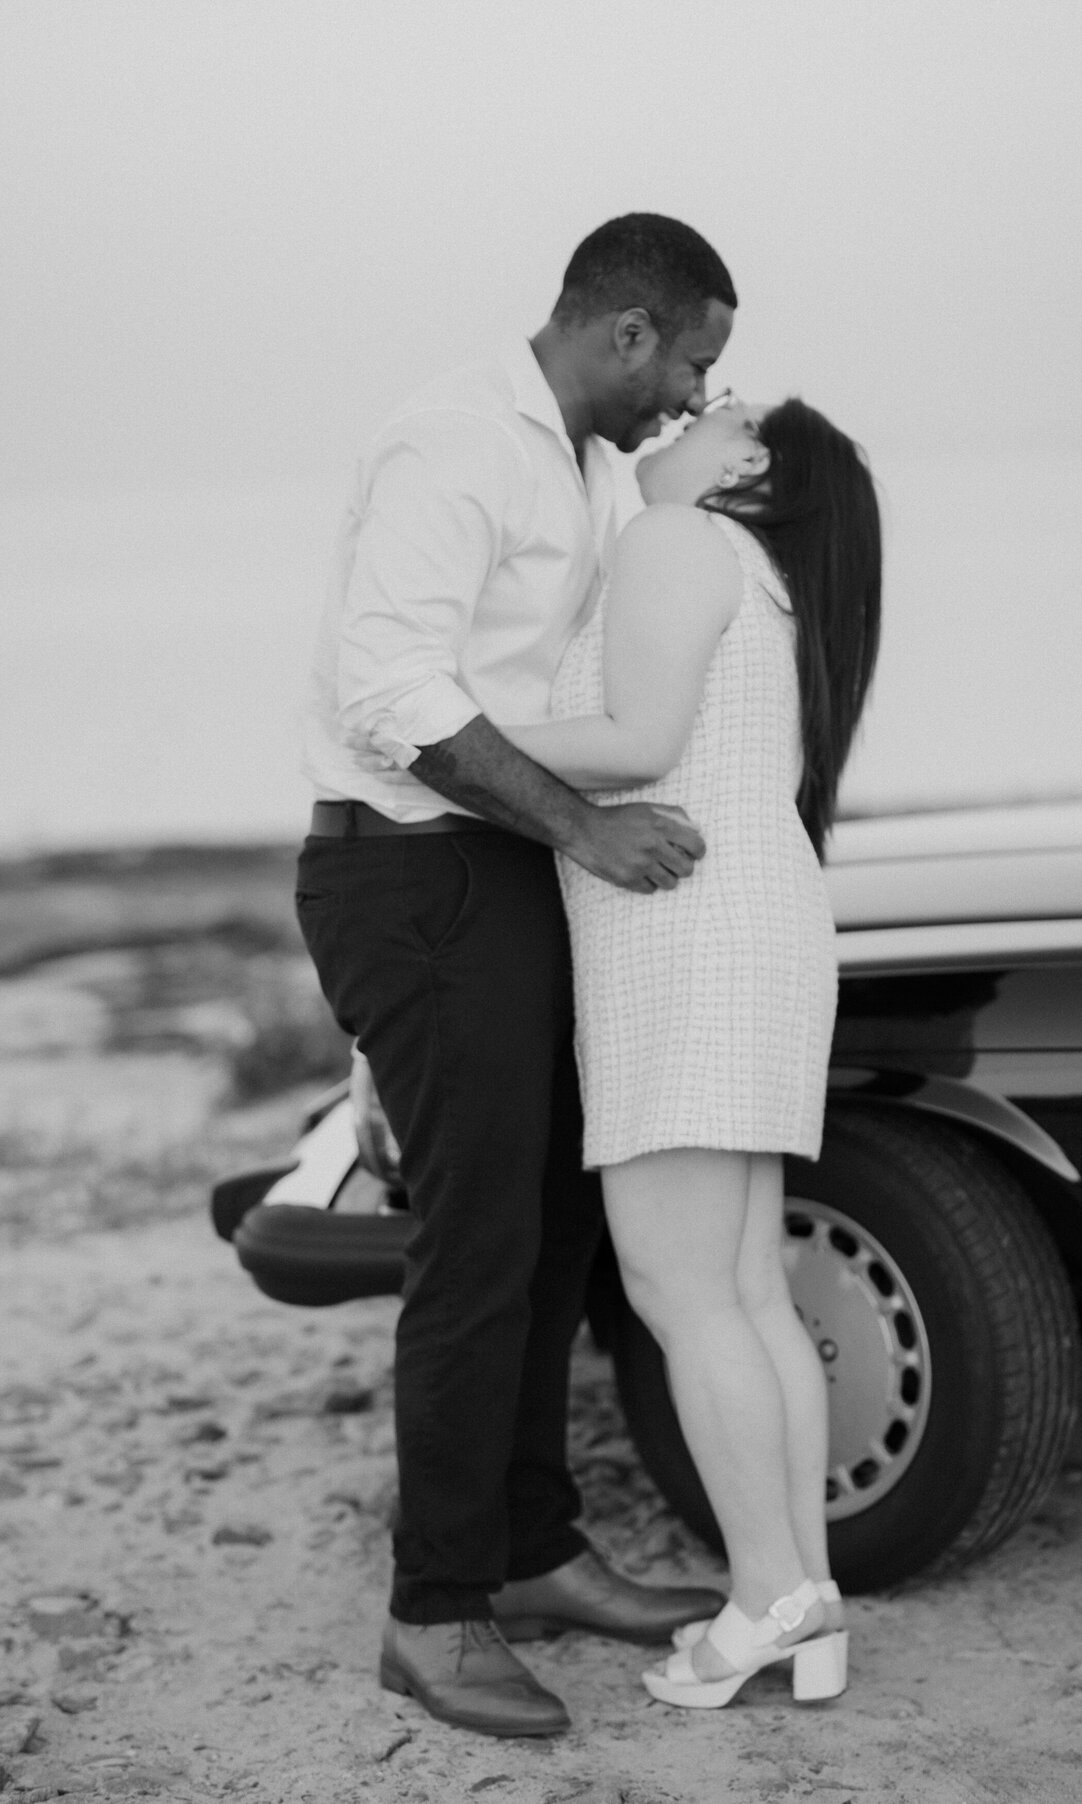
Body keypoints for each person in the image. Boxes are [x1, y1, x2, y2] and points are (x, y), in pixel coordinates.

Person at [296, 215, 735, 1739]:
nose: (689, 391)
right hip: (411, 873)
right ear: (628, 329)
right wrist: (587, 829)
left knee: (555, 1228)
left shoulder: (592, 461)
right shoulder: (455, 440)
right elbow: (391, 691)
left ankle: (534, 1550)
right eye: (691, 360)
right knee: (479, 1244)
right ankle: (433, 1614)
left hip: (497, 872)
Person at [489, 392, 883, 1709]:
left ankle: (764, 1599)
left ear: (749, 463)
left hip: (685, 938)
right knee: (749, 1292)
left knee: (685, 1293)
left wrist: (445, 745)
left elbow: (639, 747)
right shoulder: (767, 580)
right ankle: (806, 1598)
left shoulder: (676, 538)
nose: (692, 412)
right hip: (758, 929)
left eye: (722, 408)